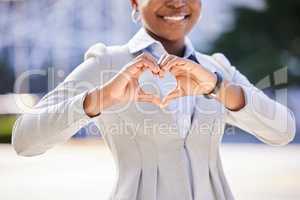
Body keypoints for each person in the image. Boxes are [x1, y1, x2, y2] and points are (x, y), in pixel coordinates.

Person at [12, 0, 296, 199]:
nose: (177, 2)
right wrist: (99, 98)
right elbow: (24, 139)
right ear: (135, 3)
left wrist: (218, 87)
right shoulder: (107, 64)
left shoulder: (216, 68)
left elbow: (283, 131)